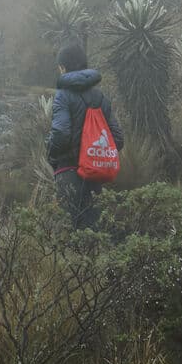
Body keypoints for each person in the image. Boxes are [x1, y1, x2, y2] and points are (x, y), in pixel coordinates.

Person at [46, 42, 125, 229]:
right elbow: (118, 138)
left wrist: (50, 151)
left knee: (71, 234)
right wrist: (94, 154)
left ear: (63, 67)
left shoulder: (63, 96)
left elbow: (61, 134)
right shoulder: (100, 97)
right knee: (95, 234)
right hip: (95, 174)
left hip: (69, 174)